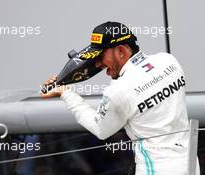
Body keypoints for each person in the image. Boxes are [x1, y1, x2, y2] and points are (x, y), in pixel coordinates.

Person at [41, 21, 200, 175]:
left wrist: (66, 93)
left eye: (101, 55)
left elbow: (100, 129)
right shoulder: (168, 60)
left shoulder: (119, 90)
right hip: (190, 162)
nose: (97, 64)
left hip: (157, 168)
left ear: (121, 51)